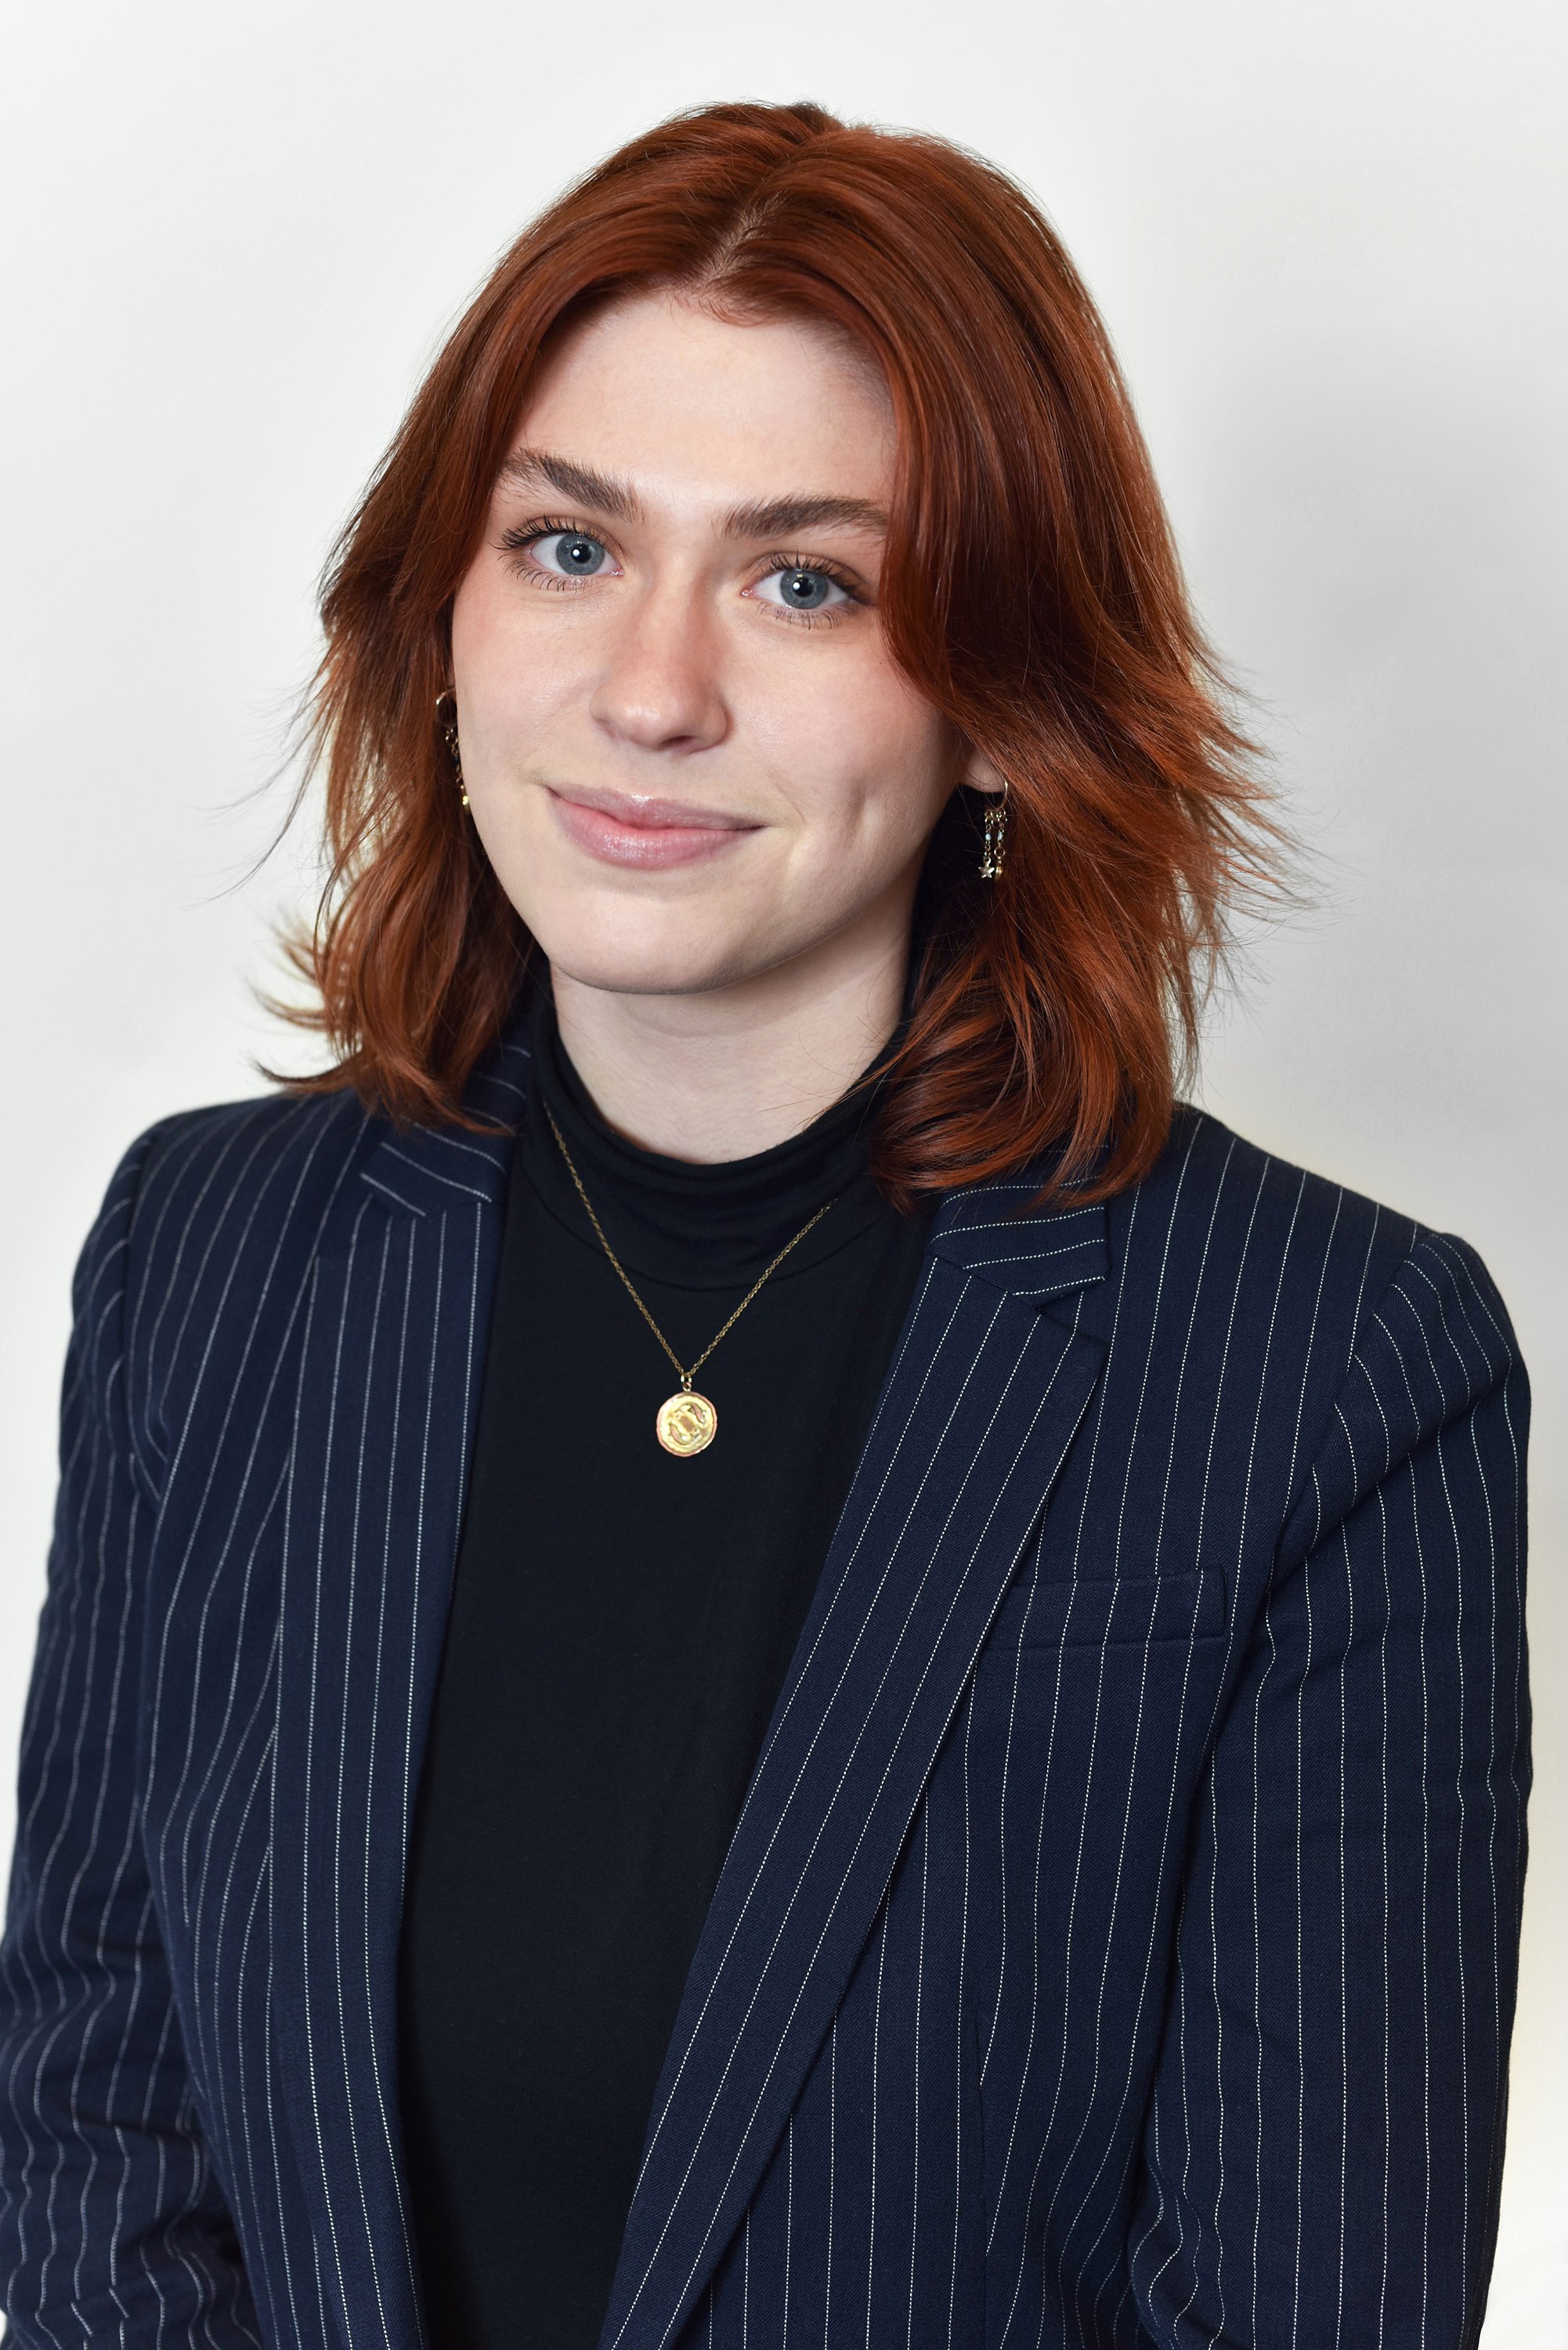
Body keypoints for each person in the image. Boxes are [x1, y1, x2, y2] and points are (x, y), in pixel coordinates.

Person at [0, 100, 1528, 2350]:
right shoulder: (208, 1257)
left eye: (807, 580)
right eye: (568, 547)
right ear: (439, 612)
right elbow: (96, 2128)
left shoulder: (1328, 1373)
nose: (649, 693)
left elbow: (1304, 2309)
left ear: (1004, 704)